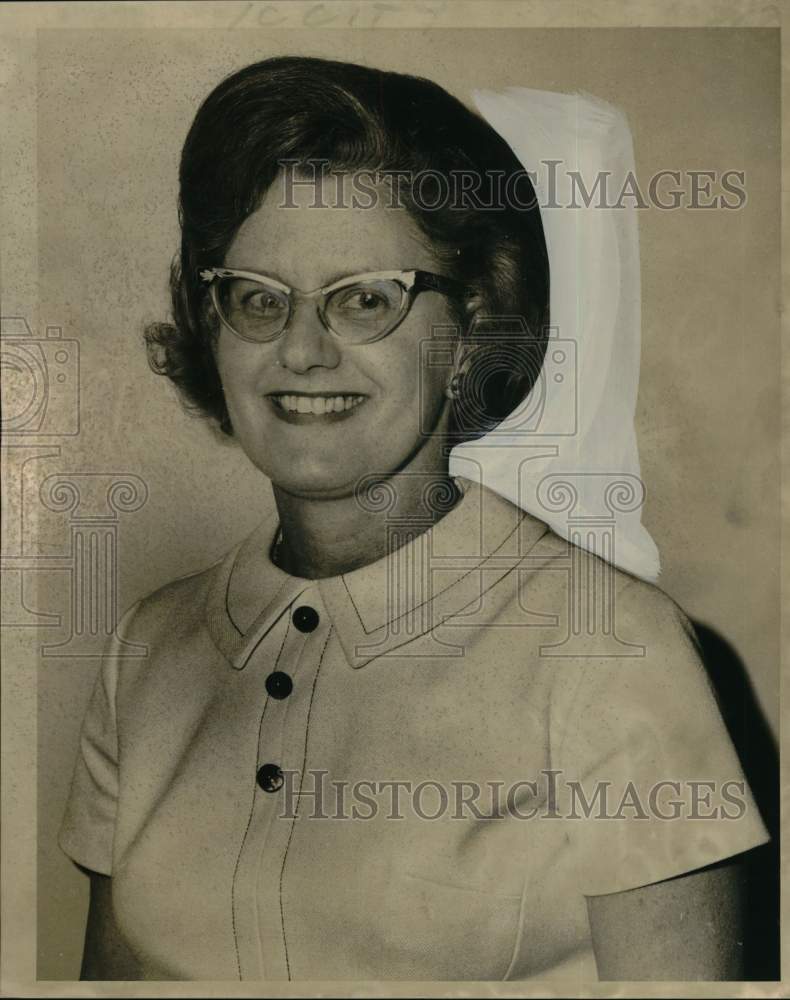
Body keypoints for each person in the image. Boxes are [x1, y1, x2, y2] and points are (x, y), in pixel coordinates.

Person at [59, 55, 769, 982]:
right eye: (257, 299)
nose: (303, 351)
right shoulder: (146, 651)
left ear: (472, 323)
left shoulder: (619, 654)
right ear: (213, 323)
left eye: (365, 299)